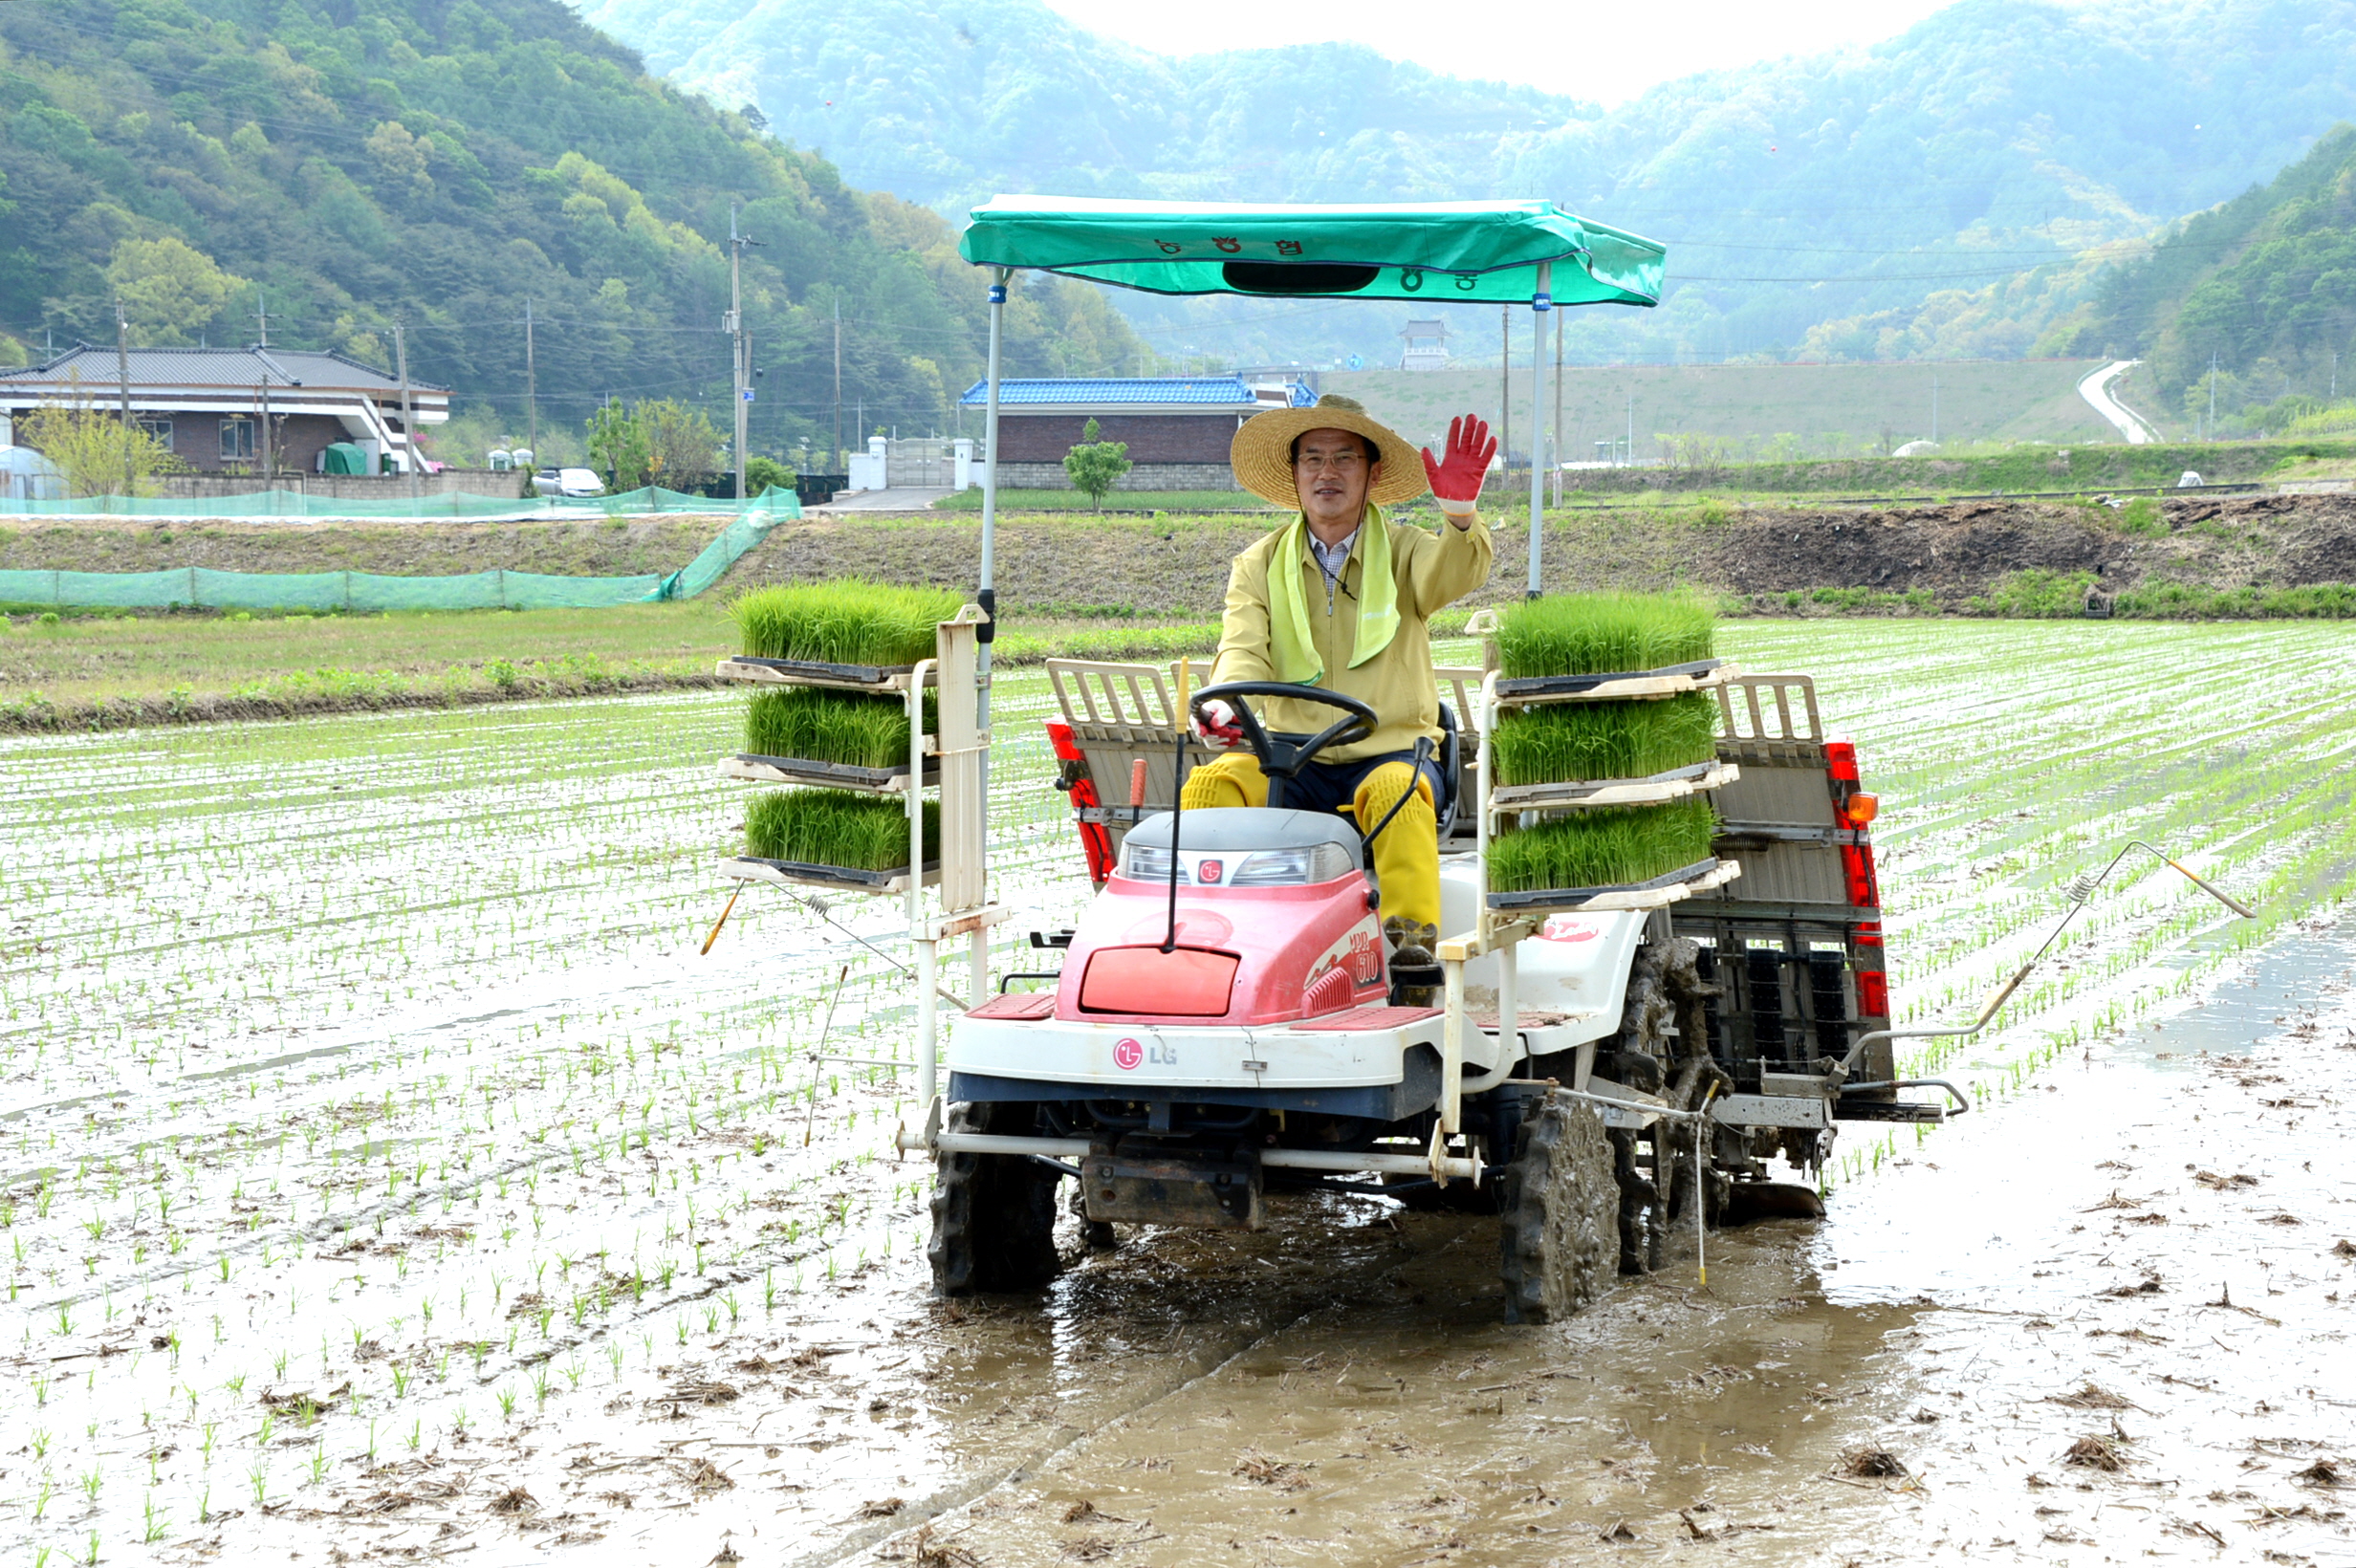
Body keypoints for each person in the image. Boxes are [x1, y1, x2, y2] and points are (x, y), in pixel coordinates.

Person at [1184, 394, 1495, 991]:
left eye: (1345, 458)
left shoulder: (1405, 551)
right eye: (1313, 459)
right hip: (1289, 761)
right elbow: (1241, 648)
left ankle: (1413, 959)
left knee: (1395, 793)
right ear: (1295, 474)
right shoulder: (1259, 563)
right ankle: (1207, 945)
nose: (1327, 472)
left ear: (1372, 474)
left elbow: (1452, 574)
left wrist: (1459, 519)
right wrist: (1223, 702)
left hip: (1388, 754)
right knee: (1211, 784)